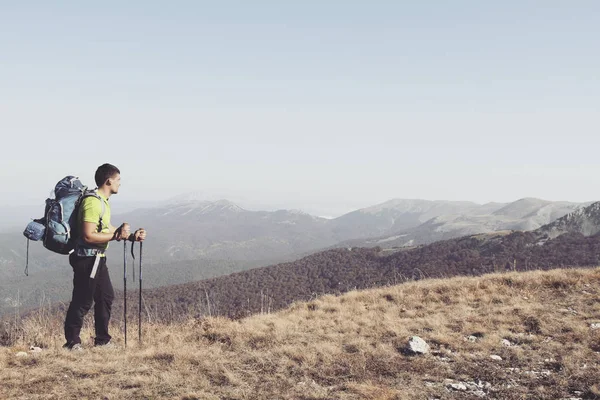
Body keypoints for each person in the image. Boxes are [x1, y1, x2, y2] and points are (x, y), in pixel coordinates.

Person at [63, 163, 146, 350]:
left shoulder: (102, 201)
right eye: (118, 180)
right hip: (86, 259)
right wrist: (118, 236)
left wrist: (132, 236)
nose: (119, 184)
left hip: (97, 258)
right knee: (83, 300)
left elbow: (106, 228)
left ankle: (102, 340)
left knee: (105, 296)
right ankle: (72, 342)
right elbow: (88, 235)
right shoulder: (92, 202)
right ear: (109, 181)